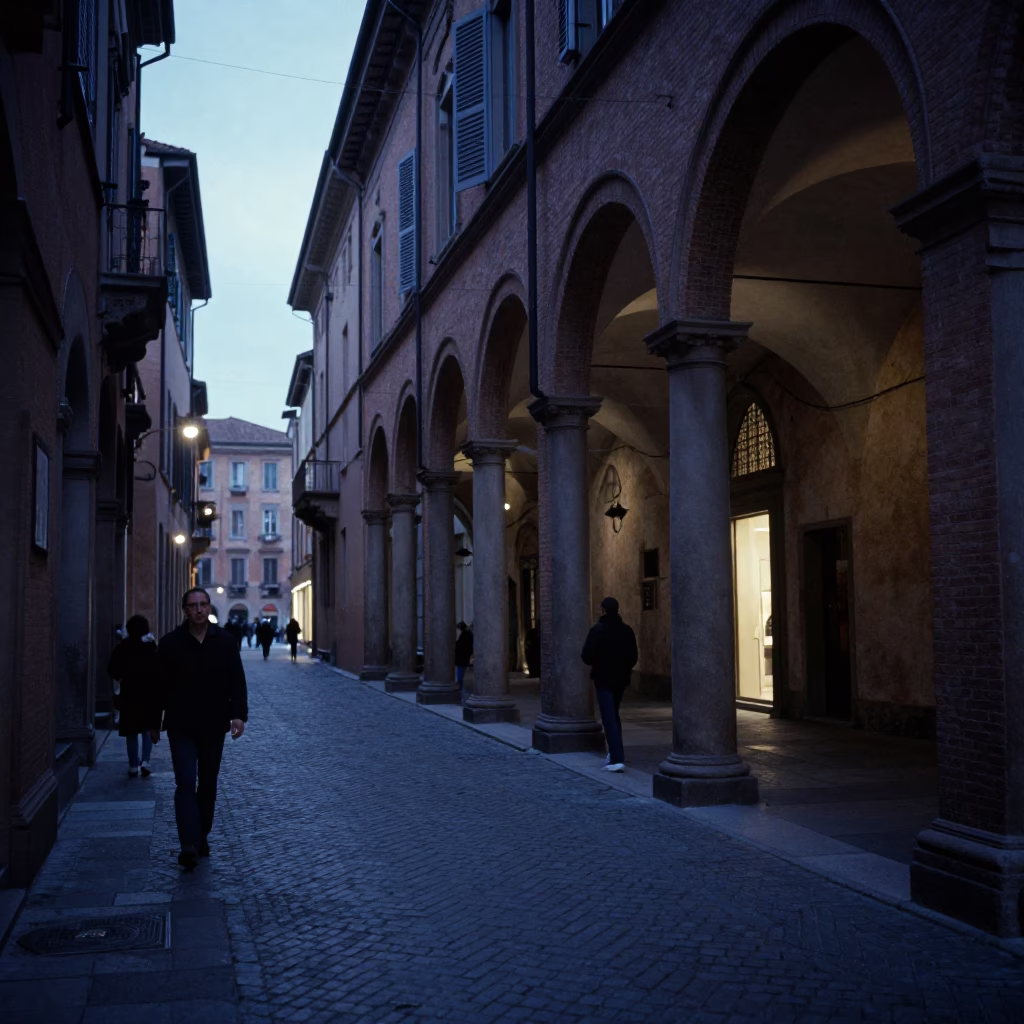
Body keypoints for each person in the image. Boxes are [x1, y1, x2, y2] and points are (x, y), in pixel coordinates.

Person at [155, 586, 248, 870]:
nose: (199, 610)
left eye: (203, 604)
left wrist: (238, 715)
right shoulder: (170, 643)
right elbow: (158, 686)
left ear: (209, 608)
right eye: (193, 605)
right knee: (185, 783)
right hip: (180, 725)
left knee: (207, 784)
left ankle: (201, 834)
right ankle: (188, 845)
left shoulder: (226, 641)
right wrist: (151, 721)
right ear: (185, 610)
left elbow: (237, 681)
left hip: (212, 725)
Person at [581, 597, 638, 772]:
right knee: (613, 714)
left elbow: (586, 656)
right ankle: (615, 753)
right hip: (620, 680)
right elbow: (633, 657)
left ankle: (616, 758)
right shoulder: (627, 631)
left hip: (603, 679)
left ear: (603, 610)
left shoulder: (597, 630)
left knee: (609, 717)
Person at [108, 615, 162, 778]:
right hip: (148, 694)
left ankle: (133, 764)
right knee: (147, 729)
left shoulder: (122, 647)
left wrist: (123, 678)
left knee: (131, 731)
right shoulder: (151, 647)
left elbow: (111, 670)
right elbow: (159, 669)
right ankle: (145, 761)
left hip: (129, 694)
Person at [454, 622, 473, 690]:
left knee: (459, 674)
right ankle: (459, 687)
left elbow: (460, 646)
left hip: (461, 658)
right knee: (460, 673)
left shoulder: (464, 636)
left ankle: (459, 688)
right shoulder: (468, 635)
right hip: (463, 657)